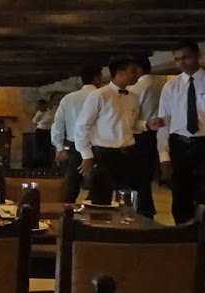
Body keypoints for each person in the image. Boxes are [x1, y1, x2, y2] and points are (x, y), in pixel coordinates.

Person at [75, 56, 158, 196]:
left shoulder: (132, 97)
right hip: (104, 155)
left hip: (128, 154)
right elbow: (82, 126)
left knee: (128, 196)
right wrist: (86, 154)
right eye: (132, 71)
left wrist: (147, 125)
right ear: (120, 73)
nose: (136, 74)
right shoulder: (99, 96)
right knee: (101, 197)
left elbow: (130, 125)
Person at [152, 40, 205, 224]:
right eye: (177, 59)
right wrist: (164, 157)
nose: (181, 62)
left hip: (203, 143)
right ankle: (184, 235)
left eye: (186, 57)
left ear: (198, 55)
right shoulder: (170, 87)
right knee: (180, 197)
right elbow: (163, 123)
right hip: (179, 144)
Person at [51, 66, 103, 203]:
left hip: (75, 146)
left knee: (71, 185)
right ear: (97, 78)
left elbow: (57, 125)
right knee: (98, 186)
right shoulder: (103, 96)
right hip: (99, 145)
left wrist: (59, 147)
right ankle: (94, 210)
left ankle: (67, 211)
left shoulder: (68, 99)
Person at [130, 56, 165, 219]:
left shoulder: (137, 88)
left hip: (143, 134)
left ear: (137, 69)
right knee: (150, 173)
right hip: (163, 132)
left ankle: (144, 211)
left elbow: (131, 115)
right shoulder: (163, 84)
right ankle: (147, 208)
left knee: (140, 176)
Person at [32, 99, 56, 167]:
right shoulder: (40, 112)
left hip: (48, 131)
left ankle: (46, 164)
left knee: (46, 148)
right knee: (39, 148)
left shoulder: (52, 111)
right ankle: (38, 164)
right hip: (40, 130)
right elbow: (34, 121)